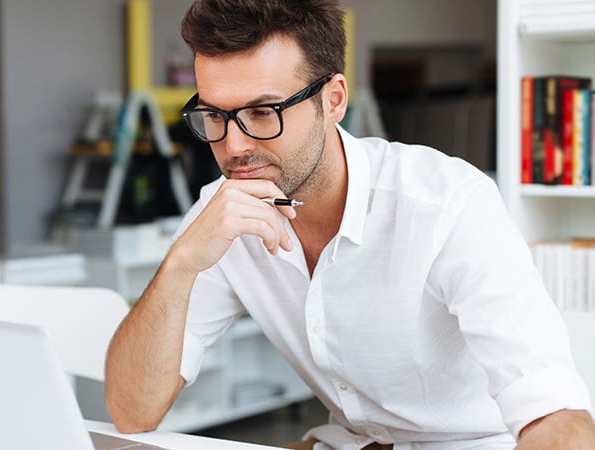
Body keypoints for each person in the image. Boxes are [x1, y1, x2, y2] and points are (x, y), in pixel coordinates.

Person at [103, 1, 595, 449]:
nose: (233, 147)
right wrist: (181, 265)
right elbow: (131, 412)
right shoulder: (223, 212)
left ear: (334, 100)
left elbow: (558, 419)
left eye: (262, 111)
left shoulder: (449, 204)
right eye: (215, 115)